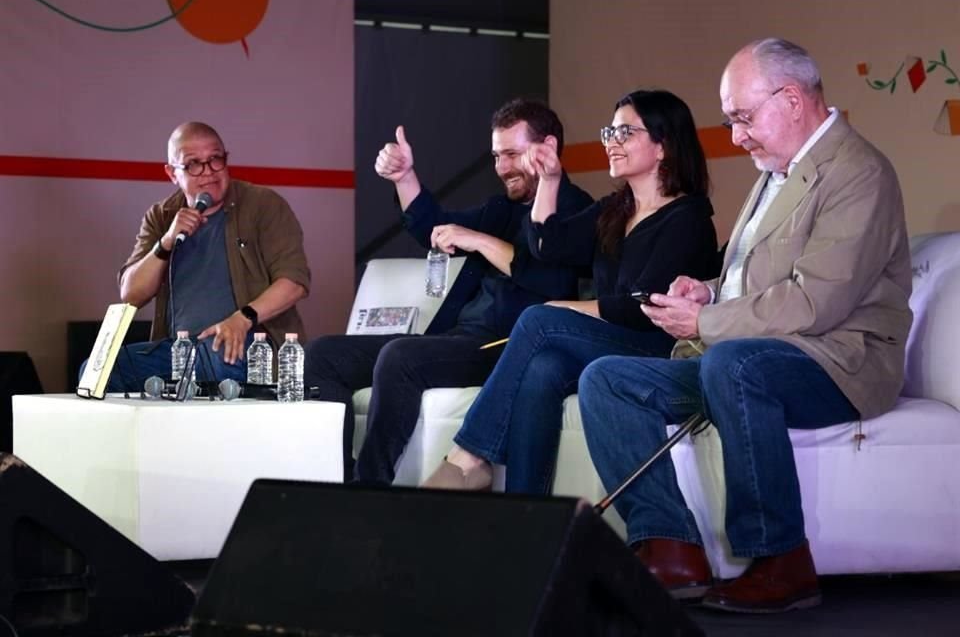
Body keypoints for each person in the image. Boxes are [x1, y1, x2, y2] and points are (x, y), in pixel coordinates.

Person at [579, 38, 912, 612]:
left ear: (789, 100)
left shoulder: (859, 173)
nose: (736, 137)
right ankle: (670, 549)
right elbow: (752, 268)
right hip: (760, 354)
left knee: (735, 364)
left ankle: (782, 560)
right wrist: (706, 288)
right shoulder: (775, 171)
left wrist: (706, 318)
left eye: (742, 118)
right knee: (607, 379)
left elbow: (815, 304)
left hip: (839, 360)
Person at [421, 90, 718, 493]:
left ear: (663, 144)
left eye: (625, 132)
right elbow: (547, 245)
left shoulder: (689, 216)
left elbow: (643, 306)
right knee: (545, 368)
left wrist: (567, 308)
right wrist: (550, 179)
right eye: (609, 132)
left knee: (540, 318)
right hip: (613, 341)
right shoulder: (617, 207)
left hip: (656, 349)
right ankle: (527, 512)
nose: (611, 142)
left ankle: (468, 457)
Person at [303, 99, 594, 484]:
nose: (501, 167)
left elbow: (549, 281)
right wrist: (405, 177)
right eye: (495, 156)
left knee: (399, 356)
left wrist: (478, 240)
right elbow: (435, 230)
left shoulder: (578, 210)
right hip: (457, 338)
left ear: (548, 148)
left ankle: (368, 489)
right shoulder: (502, 209)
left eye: (511, 154)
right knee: (322, 354)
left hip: (509, 347)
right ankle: (333, 476)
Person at [95, 121, 310, 391]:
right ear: (172, 173)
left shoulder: (263, 205)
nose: (208, 172)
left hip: (246, 346)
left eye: (215, 160)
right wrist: (166, 242)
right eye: (193, 164)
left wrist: (241, 319)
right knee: (99, 370)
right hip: (181, 348)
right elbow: (131, 295)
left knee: (216, 357)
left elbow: (294, 282)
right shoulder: (161, 216)